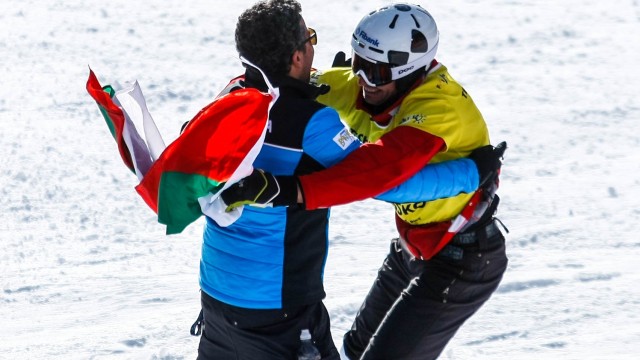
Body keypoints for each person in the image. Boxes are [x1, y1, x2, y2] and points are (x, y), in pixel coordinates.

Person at [196, 1, 498, 359]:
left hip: (459, 254)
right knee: (357, 349)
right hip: (292, 295)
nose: (364, 82)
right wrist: (472, 173)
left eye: (378, 73)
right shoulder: (318, 114)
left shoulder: (231, 98)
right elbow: (378, 178)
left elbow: (379, 176)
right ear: (297, 57)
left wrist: (287, 188)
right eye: (359, 65)